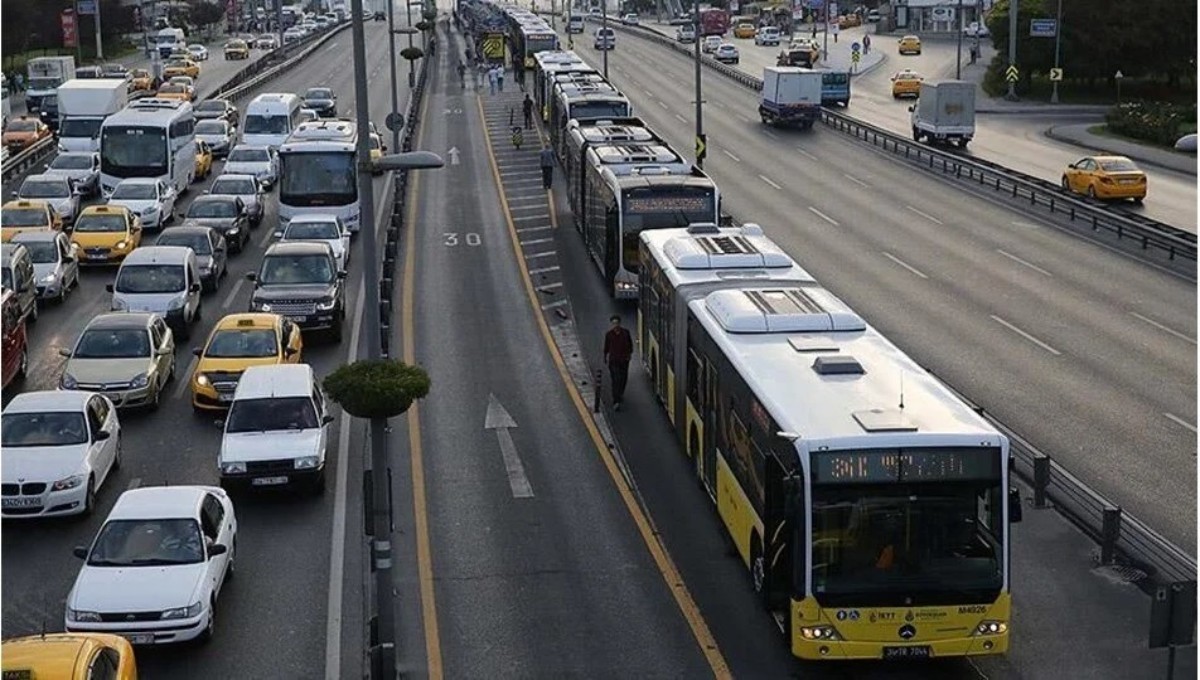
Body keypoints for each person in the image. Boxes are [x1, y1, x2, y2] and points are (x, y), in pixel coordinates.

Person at [603, 315, 633, 410]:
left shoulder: (625, 333)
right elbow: (606, 347)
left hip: (624, 360)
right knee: (616, 379)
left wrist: (629, 355)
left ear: (619, 323)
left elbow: (630, 345)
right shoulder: (609, 335)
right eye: (614, 323)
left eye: (617, 323)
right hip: (613, 361)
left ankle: (620, 394)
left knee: (623, 379)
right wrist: (605, 357)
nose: (615, 325)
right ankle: (616, 401)